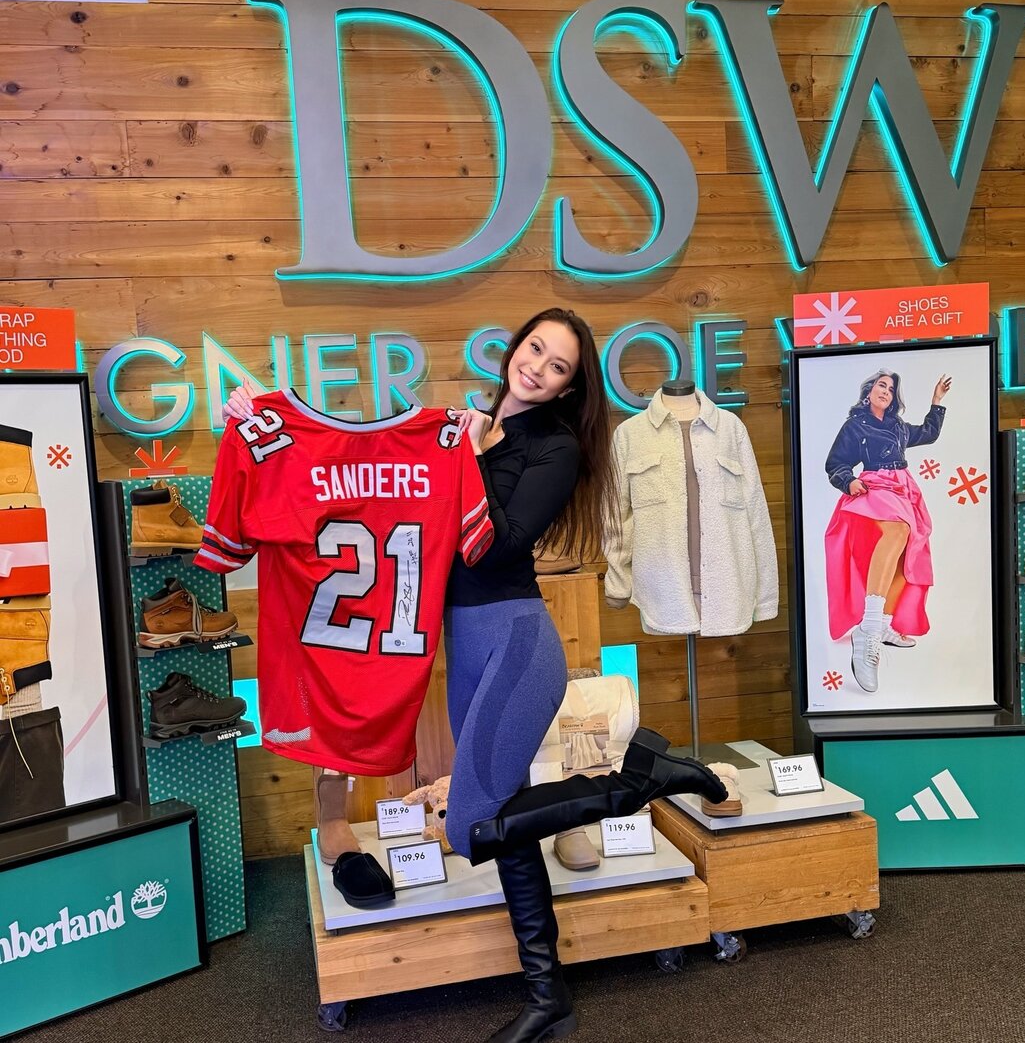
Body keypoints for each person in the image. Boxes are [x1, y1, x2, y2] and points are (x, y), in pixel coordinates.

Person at [225, 308, 728, 1043]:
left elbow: (498, 545)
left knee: (468, 825)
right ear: (514, 349)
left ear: (569, 386)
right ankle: (548, 998)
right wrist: (255, 420)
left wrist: (474, 454)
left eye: (557, 366)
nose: (538, 368)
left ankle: (646, 779)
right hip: (467, 646)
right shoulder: (460, 430)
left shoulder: (553, 446)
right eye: (534, 349)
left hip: (518, 644)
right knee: (507, 820)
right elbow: (360, 463)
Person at [823, 368, 951, 694]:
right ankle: (868, 627)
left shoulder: (897, 426)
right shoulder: (855, 425)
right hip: (874, 486)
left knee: (908, 557)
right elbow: (835, 463)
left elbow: (929, 433)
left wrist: (937, 402)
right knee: (896, 531)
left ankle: (881, 624)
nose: (886, 391)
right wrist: (848, 481)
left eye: (891, 389)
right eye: (881, 385)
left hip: (903, 488)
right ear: (869, 391)